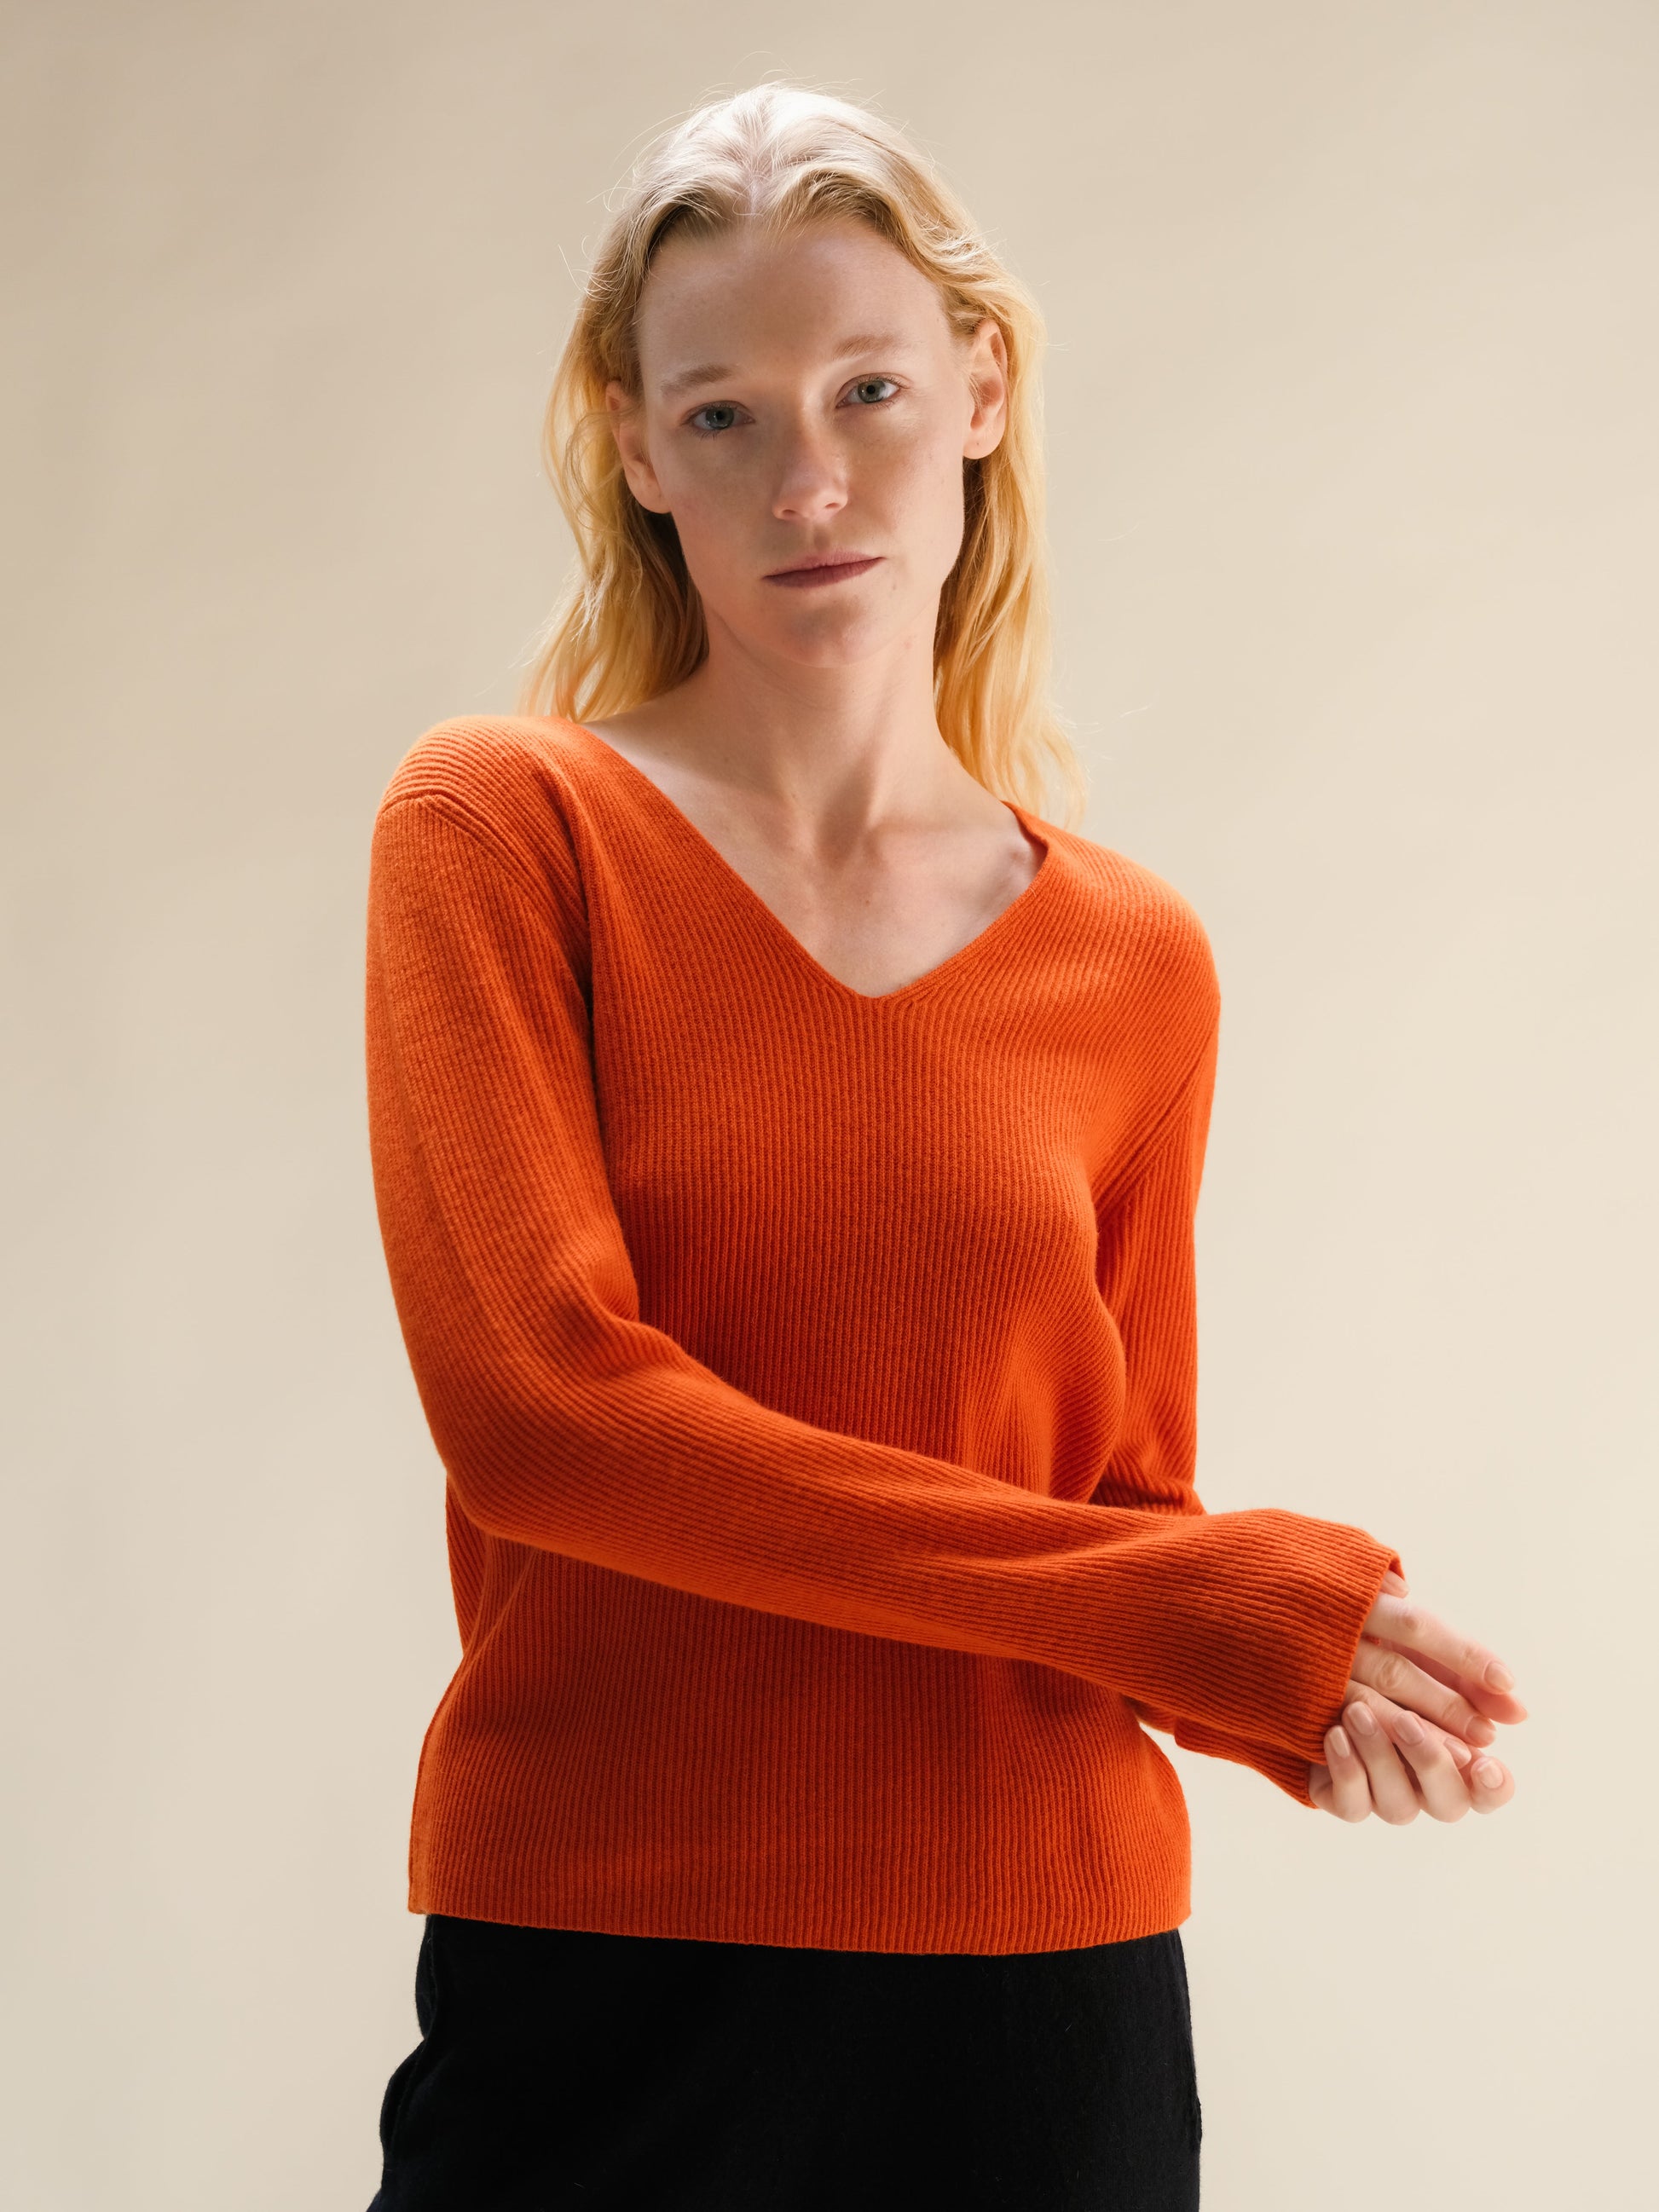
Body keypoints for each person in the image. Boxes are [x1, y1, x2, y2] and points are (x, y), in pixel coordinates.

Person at [361, 81, 1524, 2212]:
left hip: (1037, 2002)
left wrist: (1291, 1688)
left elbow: (1116, 1513)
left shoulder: (1133, 957)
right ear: (634, 449)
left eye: (869, 389)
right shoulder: (505, 829)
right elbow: (544, 1416)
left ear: (978, 388)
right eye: (722, 415)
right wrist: (1189, 1604)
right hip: (605, 1971)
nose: (807, 479)